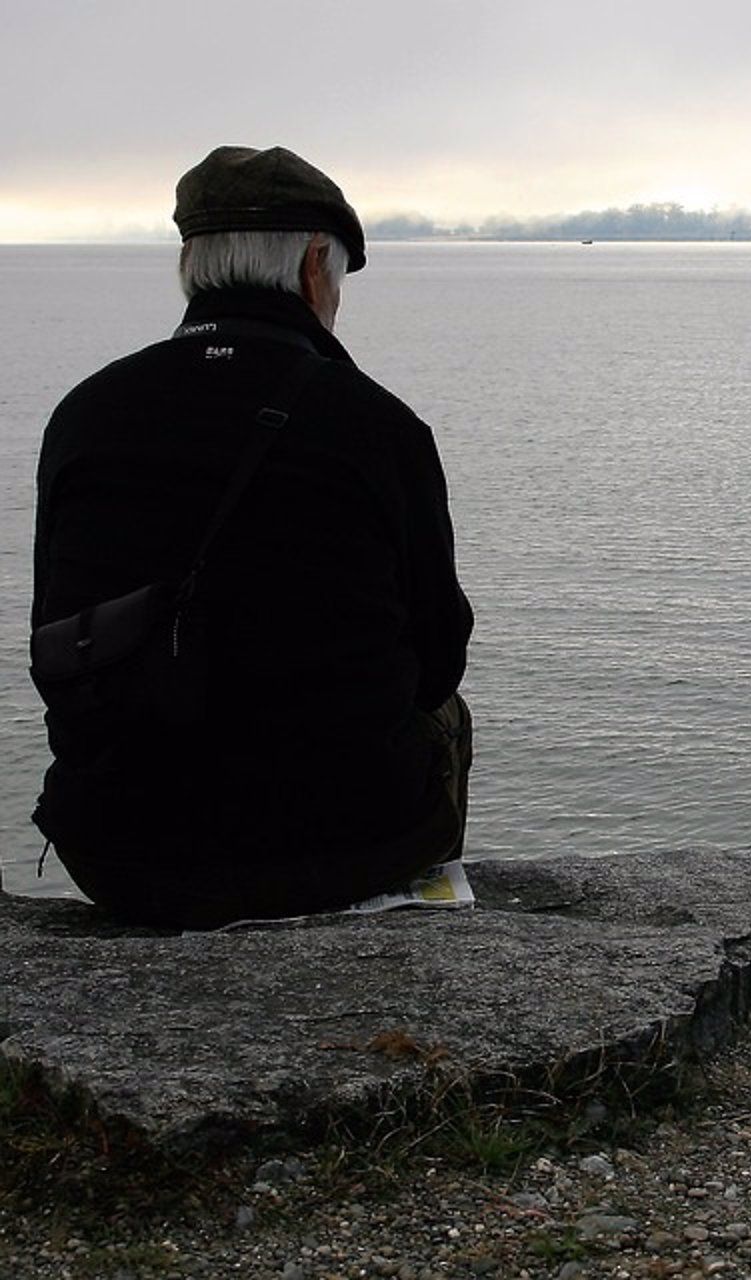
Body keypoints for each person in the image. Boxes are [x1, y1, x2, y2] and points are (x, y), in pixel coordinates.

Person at [30, 145, 474, 929]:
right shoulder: (377, 424)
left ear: (191, 267)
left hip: (117, 853)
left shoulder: (85, 415)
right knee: (449, 716)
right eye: (337, 280)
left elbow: (57, 643)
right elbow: (439, 659)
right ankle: (405, 936)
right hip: (342, 850)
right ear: (313, 267)